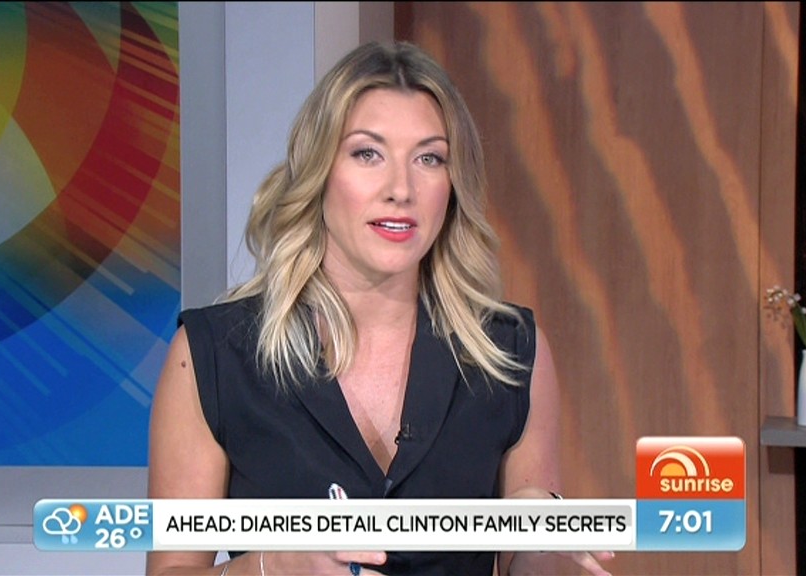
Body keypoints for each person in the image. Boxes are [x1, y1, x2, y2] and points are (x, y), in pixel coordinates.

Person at [146, 40, 614, 576]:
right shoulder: (213, 356)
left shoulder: (510, 353)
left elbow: (529, 567)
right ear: (320, 171)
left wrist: (540, 535)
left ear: (452, 186)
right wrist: (273, 565)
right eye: (368, 153)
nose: (401, 189)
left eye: (429, 158)